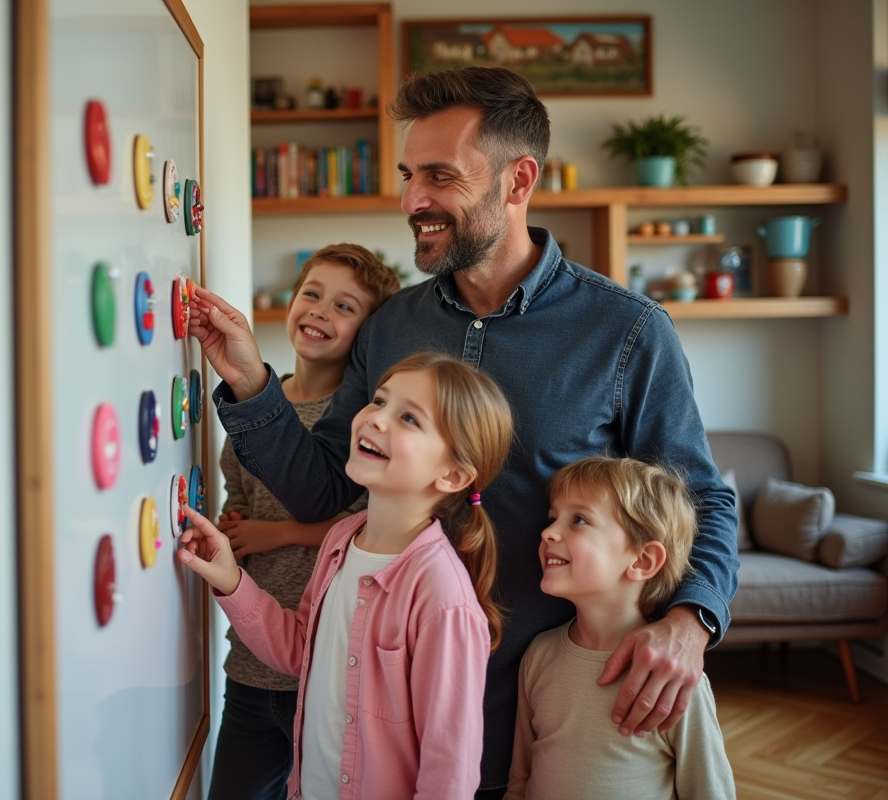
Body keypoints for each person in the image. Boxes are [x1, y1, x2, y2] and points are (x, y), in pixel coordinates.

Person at [189, 66, 740, 799]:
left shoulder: (627, 331)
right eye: (408, 175)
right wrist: (251, 381)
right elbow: (324, 487)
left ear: (519, 181)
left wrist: (692, 621)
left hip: (549, 714)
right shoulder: (390, 326)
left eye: (440, 176)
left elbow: (701, 498)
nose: (412, 200)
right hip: (383, 723)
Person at [180, 352, 513, 800]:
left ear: (453, 475)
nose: (376, 418)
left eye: (409, 418)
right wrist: (231, 580)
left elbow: (448, 774)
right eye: (379, 400)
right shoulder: (342, 538)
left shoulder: (443, 598)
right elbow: (302, 650)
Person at [209, 244, 400, 800]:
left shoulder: (366, 422)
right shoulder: (251, 410)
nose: (320, 310)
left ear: (367, 334)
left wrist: (281, 533)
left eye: (344, 306)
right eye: (312, 294)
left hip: (327, 672)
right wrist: (234, 525)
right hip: (250, 665)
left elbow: (371, 521)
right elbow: (240, 496)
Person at [505, 457, 736, 800]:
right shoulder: (538, 655)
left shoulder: (672, 679)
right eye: (553, 518)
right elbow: (519, 781)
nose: (547, 532)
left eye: (579, 520)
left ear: (643, 560)